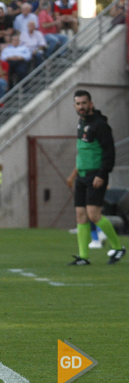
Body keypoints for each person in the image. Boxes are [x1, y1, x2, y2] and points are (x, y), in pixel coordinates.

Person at [65, 91, 126, 265]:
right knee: (80, 216)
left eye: (84, 103)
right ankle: (83, 257)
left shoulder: (100, 125)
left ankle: (118, 247)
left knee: (94, 215)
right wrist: (75, 173)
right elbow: (84, 152)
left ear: (91, 104)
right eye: (78, 104)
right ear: (75, 106)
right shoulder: (81, 123)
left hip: (95, 175)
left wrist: (102, 174)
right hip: (82, 175)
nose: (81, 107)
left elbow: (109, 152)